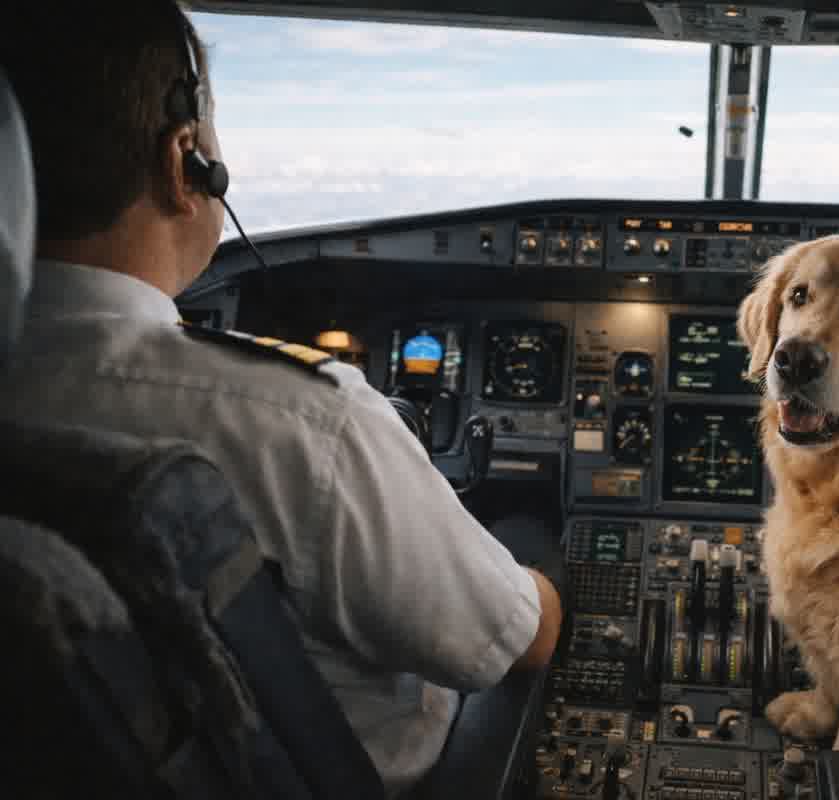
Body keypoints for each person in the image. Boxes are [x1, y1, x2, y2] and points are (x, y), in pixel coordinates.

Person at [0, 2, 561, 794]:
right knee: (533, 546)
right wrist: (543, 566)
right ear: (183, 160)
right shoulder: (306, 425)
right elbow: (514, 641)